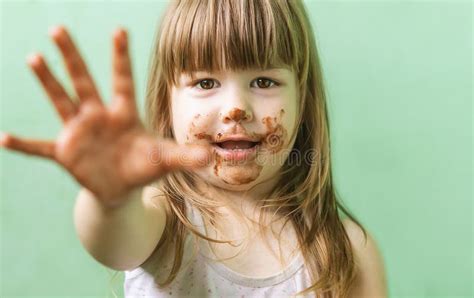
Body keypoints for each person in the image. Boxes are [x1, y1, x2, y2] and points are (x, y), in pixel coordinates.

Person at [0, 0, 388, 297]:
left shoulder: (348, 251)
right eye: (205, 83)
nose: (236, 108)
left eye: (264, 81)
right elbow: (112, 242)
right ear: (168, 105)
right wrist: (111, 198)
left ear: (303, 99)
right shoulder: (162, 217)